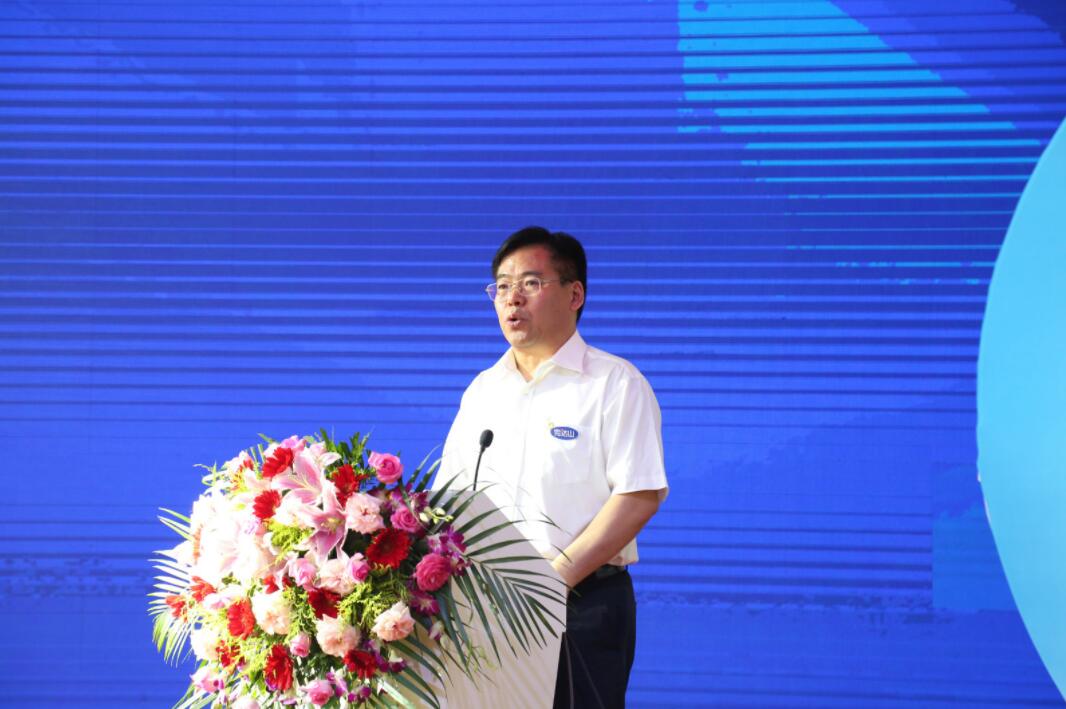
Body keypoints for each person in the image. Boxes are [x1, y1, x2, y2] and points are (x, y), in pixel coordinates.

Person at [439, 226, 669, 708]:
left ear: (574, 294)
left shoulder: (614, 384)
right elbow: (450, 499)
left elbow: (639, 493)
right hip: (484, 607)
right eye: (502, 286)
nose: (512, 298)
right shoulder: (483, 390)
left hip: (581, 602)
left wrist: (551, 580)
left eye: (530, 283)